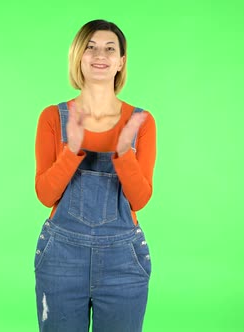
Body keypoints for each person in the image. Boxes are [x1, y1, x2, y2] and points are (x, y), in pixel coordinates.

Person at [33, 19, 157, 332]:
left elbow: (139, 199)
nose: (99, 54)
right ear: (79, 57)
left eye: (109, 48)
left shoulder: (140, 122)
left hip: (123, 261)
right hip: (61, 257)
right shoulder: (53, 118)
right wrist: (71, 150)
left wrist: (123, 152)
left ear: (120, 62)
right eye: (90, 47)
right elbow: (46, 195)